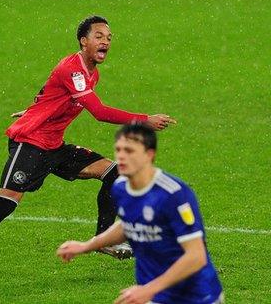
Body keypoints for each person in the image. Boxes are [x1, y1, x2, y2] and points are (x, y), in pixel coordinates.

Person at [0, 15, 176, 274]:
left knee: (114, 172)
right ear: (83, 41)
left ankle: (103, 240)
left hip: (54, 148)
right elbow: (99, 112)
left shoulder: (90, 74)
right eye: (99, 36)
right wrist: (145, 120)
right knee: (4, 205)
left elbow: (49, 92)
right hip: (29, 145)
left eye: (109, 38)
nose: (105, 41)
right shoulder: (72, 69)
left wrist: (33, 109)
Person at [57, 123, 223, 304]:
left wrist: (149, 290)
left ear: (149, 155)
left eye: (129, 151)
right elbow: (128, 223)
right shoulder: (121, 188)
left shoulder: (173, 195)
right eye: (118, 150)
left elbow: (196, 257)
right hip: (154, 293)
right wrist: (86, 246)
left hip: (195, 296)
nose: (121, 156)